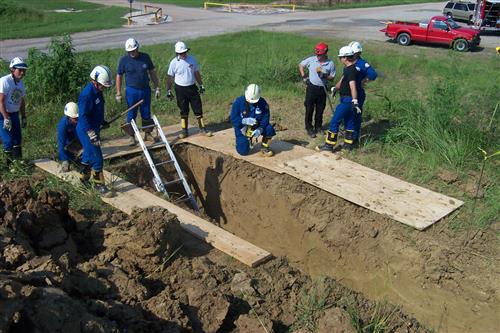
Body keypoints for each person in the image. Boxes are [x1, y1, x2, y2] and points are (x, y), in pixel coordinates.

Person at [116, 38, 161, 146]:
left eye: (134, 50)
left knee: (146, 113)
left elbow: (152, 72)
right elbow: (119, 76)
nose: (132, 53)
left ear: (138, 48)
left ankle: (147, 134)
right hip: (131, 91)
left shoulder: (145, 57)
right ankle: (132, 137)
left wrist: (157, 87)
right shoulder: (124, 60)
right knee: (131, 114)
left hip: (145, 90)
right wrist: (118, 93)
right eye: (130, 51)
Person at [77, 65, 113, 194]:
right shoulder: (87, 95)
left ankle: (83, 180)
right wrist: (91, 133)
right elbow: (83, 116)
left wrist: (101, 121)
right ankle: (99, 186)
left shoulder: (98, 91)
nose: (104, 88)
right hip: (86, 130)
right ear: (95, 81)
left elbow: (97, 110)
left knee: (87, 155)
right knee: (96, 156)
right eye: (103, 85)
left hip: (94, 127)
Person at [317, 46, 359, 152]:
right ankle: (348, 145)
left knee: (335, 121)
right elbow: (343, 79)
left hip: (347, 100)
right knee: (349, 121)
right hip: (346, 99)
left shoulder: (351, 70)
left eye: (341, 57)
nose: (340, 59)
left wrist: (354, 100)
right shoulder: (348, 68)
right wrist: (336, 88)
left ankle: (329, 145)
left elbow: (353, 85)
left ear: (345, 57)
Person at [166, 41, 211, 138]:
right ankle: (184, 131)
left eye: (185, 52)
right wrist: (168, 90)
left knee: (198, 108)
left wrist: (201, 85)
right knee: (183, 109)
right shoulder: (173, 63)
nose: (184, 54)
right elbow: (170, 77)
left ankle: (202, 129)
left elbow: (196, 73)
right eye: (181, 53)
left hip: (192, 87)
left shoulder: (192, 60)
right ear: (177, 53)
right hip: (180, 89)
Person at [298, 42, 336, 138]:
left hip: (322, 89)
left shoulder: (330, 63)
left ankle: (318, 127)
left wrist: (325, 75)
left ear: (325, 53)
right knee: (309, 109)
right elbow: (301, 65)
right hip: (311, 88)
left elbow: (332, 77)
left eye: (320, 55)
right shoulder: (312, 60)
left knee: (320, 110)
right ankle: (309, 128)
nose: (318, 56)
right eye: (317, 54)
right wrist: (304, 77)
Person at [230, 84, 275, 157]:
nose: (252, 102)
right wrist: (243, 121)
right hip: (242, 128)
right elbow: (233, 118)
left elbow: (266, 117)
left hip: (257, 126)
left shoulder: (262, 102)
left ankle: (264, 147)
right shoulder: (238, 102)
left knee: (269, 129)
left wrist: (260, 128)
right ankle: (242, 142)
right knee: (243, 151)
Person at [348, 41, 378, 144]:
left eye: (352, 52)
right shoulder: (348, 61)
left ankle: (355, 137)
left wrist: (364, 81)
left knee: (356, 114)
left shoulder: (362, 63)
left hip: (358, 93)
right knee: (347, 113)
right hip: (347, 93)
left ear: (358, 53)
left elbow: (373, 74)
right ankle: (348, 134)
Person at [0, 57, 28, 163]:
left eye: (23, 70)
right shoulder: (4, 81)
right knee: (8, 140)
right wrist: (6, 118)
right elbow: (0, 102)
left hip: (14, 113)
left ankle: (18, 163)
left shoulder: (21, 83)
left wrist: (24, 116)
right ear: (12, 69)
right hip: (3, 114)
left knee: (17, 139)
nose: (22, 72)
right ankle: (8, 166)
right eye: (19, 70)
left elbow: (22, 101)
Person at [57, 102, 79, 172]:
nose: (76, 120)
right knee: (70, 158)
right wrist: (64, 160)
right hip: (68, 145)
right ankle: (66, 159)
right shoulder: (62, 125)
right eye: (74, 118)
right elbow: (61, 143)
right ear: (68, 117)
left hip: (78, 140)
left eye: (77, 118)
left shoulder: (80, 119)